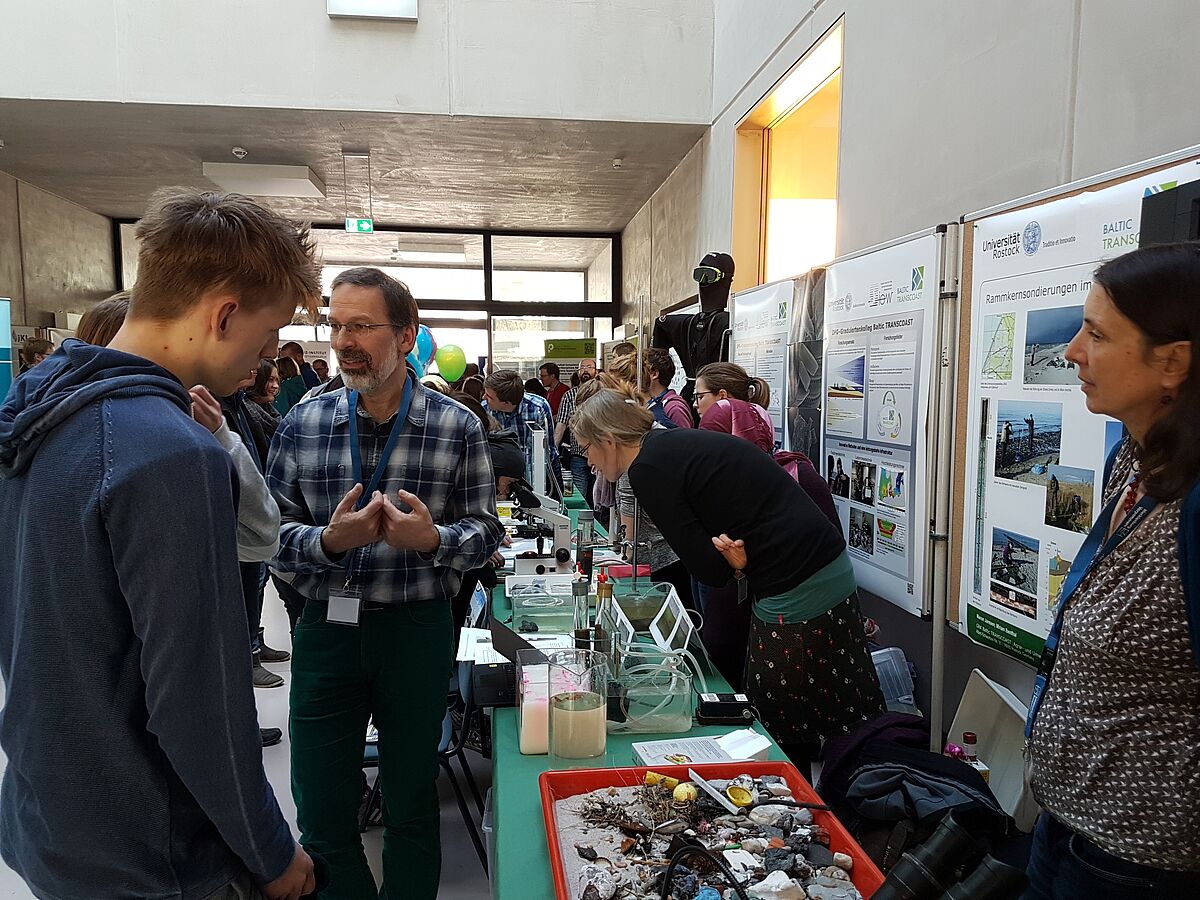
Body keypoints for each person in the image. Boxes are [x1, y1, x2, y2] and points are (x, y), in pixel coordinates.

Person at [0, 188, 318, 899]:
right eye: (268, 337)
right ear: (224, 313)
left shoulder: (34, 411)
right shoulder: (170, 452)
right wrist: (269, 849)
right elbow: (195, 697)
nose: (267, 359)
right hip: (150, 846)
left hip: (51, 813)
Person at [267, 266, 502, 899]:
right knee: (320, 812)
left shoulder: (458, 426)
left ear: (406, 336)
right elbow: (264, 536)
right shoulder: (302, 423)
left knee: (410, 805)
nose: (344, 340)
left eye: (362, 326)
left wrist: (434, 541)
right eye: (336, 325)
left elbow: (486, 531)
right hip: (329, 629)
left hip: (415, 629)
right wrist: (327, 542)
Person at [571, 388, 884, 779]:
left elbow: (710, 570)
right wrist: (727, 559)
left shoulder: (648, 468)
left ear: (608, 440)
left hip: (797, 582)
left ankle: (798, 804)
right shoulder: (670, 442)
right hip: (825, 564)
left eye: (586, 449)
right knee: (837, 706)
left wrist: (731, 565)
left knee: (775, 717)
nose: (588, 461)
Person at [1025, 243, 1200, 897]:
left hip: (1144, 858)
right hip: (1070, 821)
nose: (1072, 351)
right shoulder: (1136, 459)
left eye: (1096, 334)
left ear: (1173, 362)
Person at [652, 252, 735, 405]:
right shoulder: (686, 323)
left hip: (713, 394)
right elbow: (660, 328)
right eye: (700, 275)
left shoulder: (727, 322)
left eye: (709, 275)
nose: (703, 282)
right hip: (696, 394)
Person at [483, 368, 558, 495]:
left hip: (538, 472)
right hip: (502, 480)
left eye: (489, 396)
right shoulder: (484, 410)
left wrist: (532, 489)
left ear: (506, 402)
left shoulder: (538, 408)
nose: (484, 397)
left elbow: (546, 450)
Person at [555, 357, 597, 503]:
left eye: (589, 367)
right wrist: (553, 451)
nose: (585, 370)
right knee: (578, 496)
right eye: (582, 367)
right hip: (578, 455)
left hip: (602, 454)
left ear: (596, 371)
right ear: (578, 372)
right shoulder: (569, 396)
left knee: (599, 498)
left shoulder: (604, 393)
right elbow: (561, 425)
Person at [247, 357, 283, 426]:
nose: (276, 386)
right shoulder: (245, 413)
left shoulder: (270, 411)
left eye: (277, 380)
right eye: (270, 380)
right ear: (257, 381)